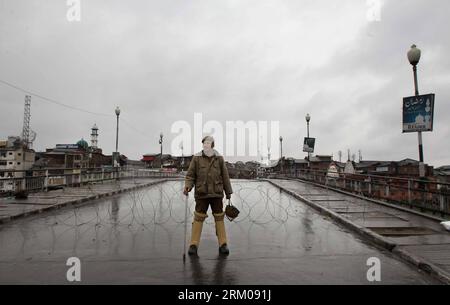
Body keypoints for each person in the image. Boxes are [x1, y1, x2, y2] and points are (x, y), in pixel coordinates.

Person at [183, 136, 233, 256]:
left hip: (216, 193)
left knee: (219, 217)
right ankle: (193, 244)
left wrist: (228, 192)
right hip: (202, 193)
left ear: (212, 145)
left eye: (209, 143)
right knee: (198, 217)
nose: (207, 145)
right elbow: (190, 175)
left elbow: (225, 176)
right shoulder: (196, 158)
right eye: (205, 143)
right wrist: (188, 186)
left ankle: (223, 244)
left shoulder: (219, 158)